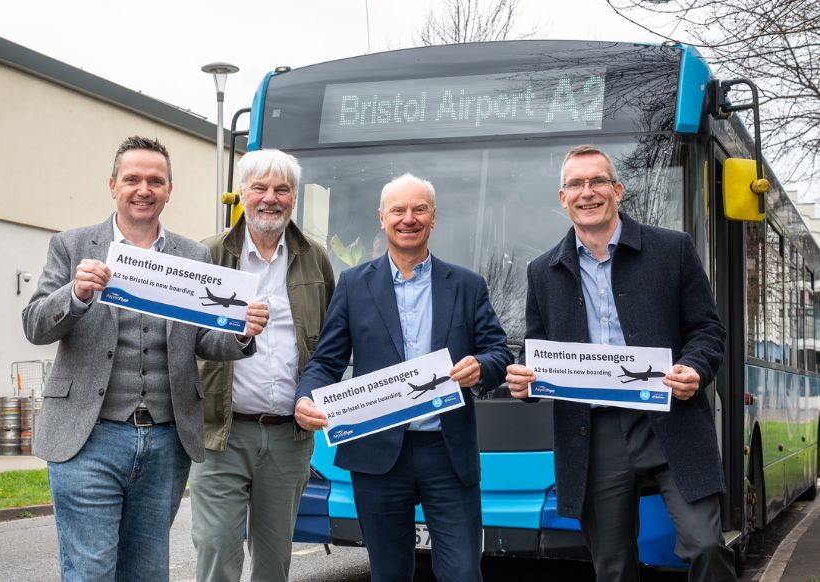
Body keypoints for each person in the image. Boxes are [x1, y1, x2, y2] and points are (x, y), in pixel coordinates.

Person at [21, 136, 268, 581]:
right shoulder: (72, 246)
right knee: (91, 570)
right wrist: (75, 294)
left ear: (170, 190)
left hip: (165, 441)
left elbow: (204, 340)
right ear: (112, 185)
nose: (144, 189)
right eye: (132, 179)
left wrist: (242, 334)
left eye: (156, 180)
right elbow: (35, 325)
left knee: (148, 572)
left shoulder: (193, 256)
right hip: (86, 437)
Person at [505, 144, 736, 581]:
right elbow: (535, 349)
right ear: (562, 197)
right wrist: (523, 378)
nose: (587, 192)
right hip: (594, 431)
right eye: (576, 184)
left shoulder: (673, 250)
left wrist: (696, 367)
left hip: (670, 419)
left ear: (618, 190)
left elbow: (708, 329)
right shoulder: (542, 271)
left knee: (705, 544)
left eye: (597, 182)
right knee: (612, 567)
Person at [294, 173, 512, 582]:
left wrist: (483, 367)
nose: (408, 218)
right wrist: (306, 398)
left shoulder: (467, 285)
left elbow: (500, 351)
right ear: (382, 218)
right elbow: (326, 361)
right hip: (377, 457)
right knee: (389, 574)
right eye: (398, 210)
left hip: (447, 454)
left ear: (433, 218)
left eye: (419, 209)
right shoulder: (353, 285)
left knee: (464, 572)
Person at [189, 149, 335, 582]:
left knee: (274, 560)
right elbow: (184, 341)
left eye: (282, 189)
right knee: (216, 546)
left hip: (289, 436)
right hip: (221, 432)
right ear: (242, 195)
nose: (270, 198)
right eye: (260, 188)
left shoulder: (316, 259)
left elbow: (328, 345)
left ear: (293, 198)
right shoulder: (208, 254)